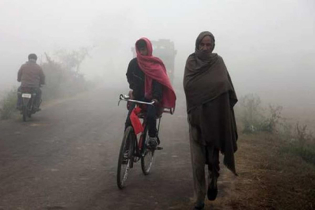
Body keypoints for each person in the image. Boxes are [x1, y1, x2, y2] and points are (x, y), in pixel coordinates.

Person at [183, 31, 238, 210]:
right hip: (197, 121)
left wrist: (211, 92)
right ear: (197, 45)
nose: (205, 48)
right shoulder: (191, 61)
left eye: (209, 45)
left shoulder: (218, 62)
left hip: (214, 120)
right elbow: (189, 86)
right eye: (202, 44)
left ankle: (213, 181)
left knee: (213, 160)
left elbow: (224, 85)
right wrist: (209, 90)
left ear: (213, 46)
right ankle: (199, 198)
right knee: (198, 163)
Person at [125, 38, 176, 149]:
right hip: (137, 96)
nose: (142, 52)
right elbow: (129, 76)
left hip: (151, 97)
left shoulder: (155, 64)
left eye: (144, 49)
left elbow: (159, 81)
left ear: (149, 49)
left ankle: (152, 137)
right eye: (140, 50)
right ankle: (127, 147)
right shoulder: (133, 63)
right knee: (128, 120)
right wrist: (133, 89)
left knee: (151, 115)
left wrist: (156, 97)